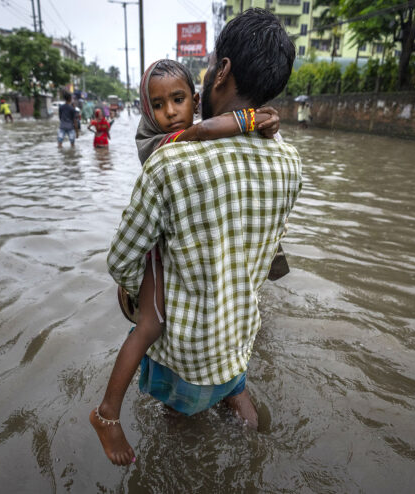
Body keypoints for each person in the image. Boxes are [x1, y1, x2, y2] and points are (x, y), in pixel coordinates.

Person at [91, 34, 298, 465]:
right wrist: (254, 122)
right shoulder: (288, 161)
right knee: (238, 400)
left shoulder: (171, 164)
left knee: (172, 406)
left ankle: (109, 415)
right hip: (238, 331)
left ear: (220, 72)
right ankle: (257, 460)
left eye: (179, 99)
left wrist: (137, 293)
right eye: (160, 104)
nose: (170, 112)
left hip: (188, 343)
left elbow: (121, 259)